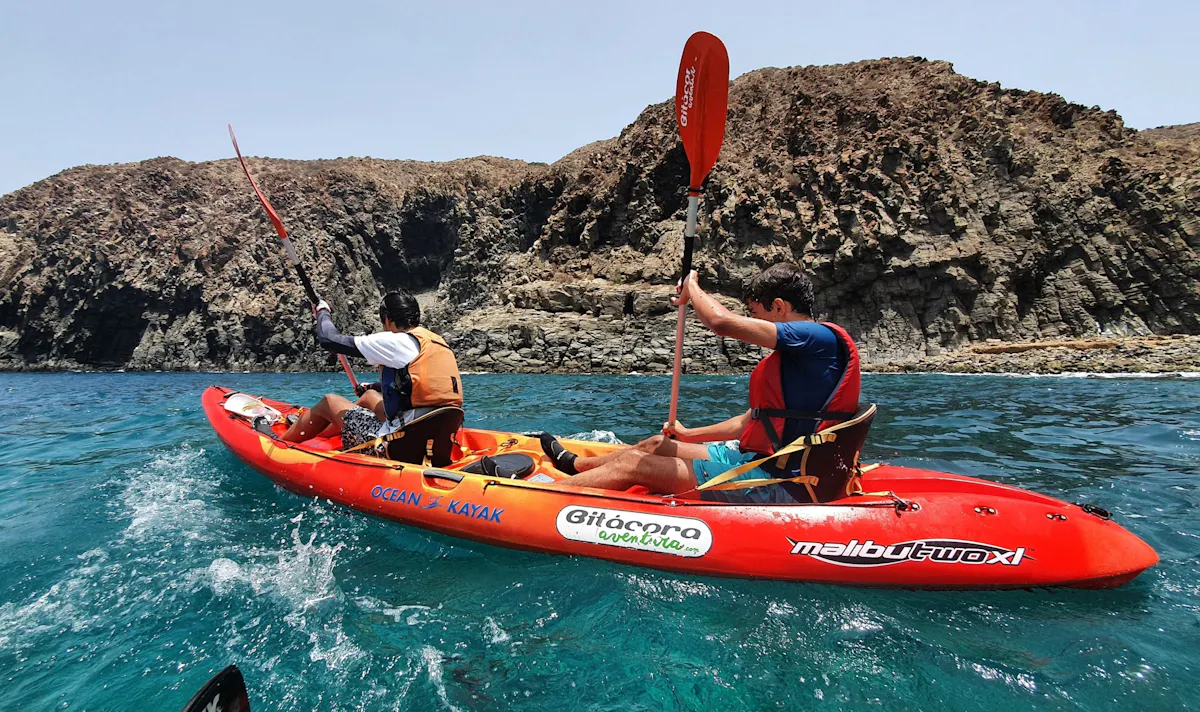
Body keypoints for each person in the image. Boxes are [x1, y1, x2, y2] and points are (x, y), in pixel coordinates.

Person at [539, 263, 860, 503]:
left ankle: (536, 495)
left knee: (638, 465)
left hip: (781, 481)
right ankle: (575, 465)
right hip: (764, 461)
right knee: (655, 445)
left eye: (756, 313)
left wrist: (691, 285)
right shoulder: (804, 357)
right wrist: (688, 434)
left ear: (779, 307)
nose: (754, 322)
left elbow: (720, 322)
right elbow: (753, 421)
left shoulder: (816, 338)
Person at [281, 290, 464, 455]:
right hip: (435, 437)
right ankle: (321, 432)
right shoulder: (436, 342)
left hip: (398, 444)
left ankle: (281, 444)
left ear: (387, 319)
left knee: (329, 402)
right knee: (369, 396)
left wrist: (322, 312)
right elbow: (419, 387)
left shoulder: (397, 341)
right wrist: (374, 387)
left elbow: (329, 340)